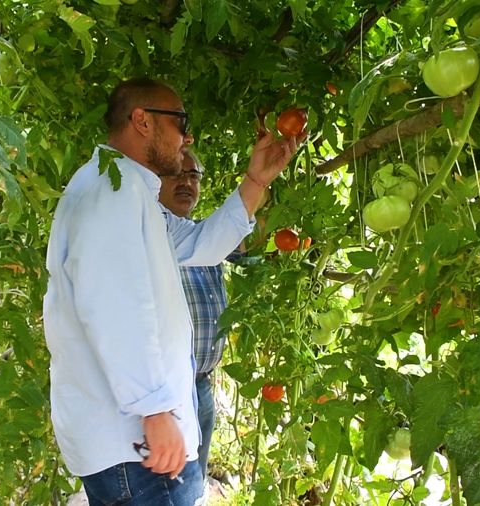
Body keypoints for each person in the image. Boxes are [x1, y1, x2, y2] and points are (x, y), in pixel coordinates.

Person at [43, 77, 301, 505]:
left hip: (136, 442)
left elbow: (202, 246)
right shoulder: (112, 190)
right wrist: (154, 409)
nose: (188, 137)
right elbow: (113, 306)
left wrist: (255, 182)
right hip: (133, 446)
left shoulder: (128, 191)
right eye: (181, 122)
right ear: (142, 121)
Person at [157, 150, 239, 486]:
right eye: (176, 173)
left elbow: (250, 248)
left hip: (202, 385)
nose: (186, 182)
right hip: (165, 392)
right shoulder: (150, 232)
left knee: (191, 485)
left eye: (193, 176)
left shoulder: (204, 236)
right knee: (164, 487)